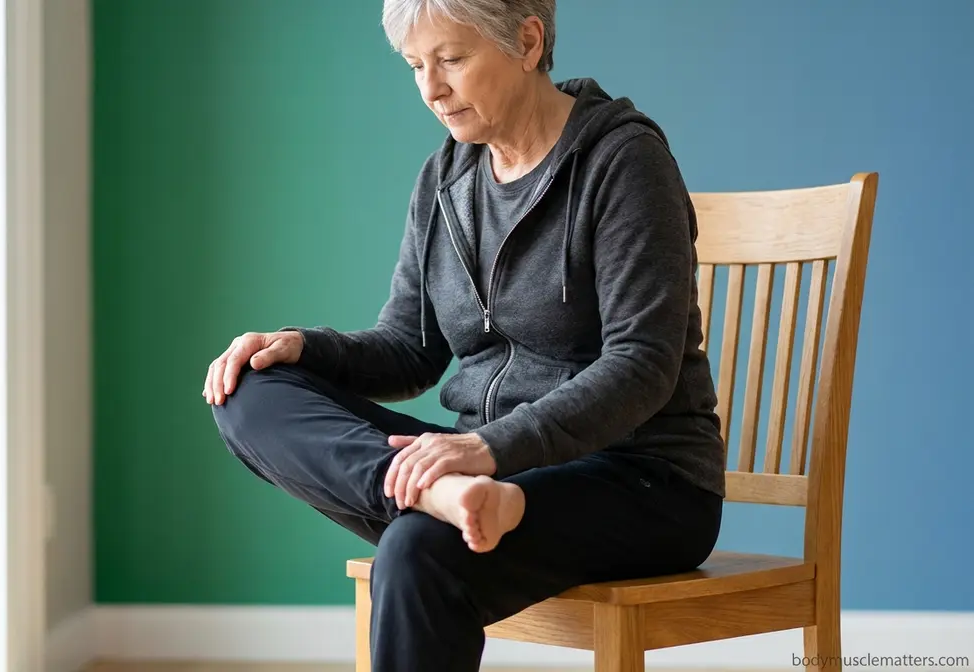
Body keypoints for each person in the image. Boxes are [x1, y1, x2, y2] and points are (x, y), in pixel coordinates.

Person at [204, 0, 727, 669]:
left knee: (420, 550)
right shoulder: (446, 178)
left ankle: (438, 500)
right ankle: (433, 495)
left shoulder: (623, 161)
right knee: (248, 390)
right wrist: (304, 347)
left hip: (642, 481)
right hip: (485, 473)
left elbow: (643, 364)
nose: (431, 87)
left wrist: (488, 448)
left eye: (451, 58)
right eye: (416, 65)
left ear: (529, 42)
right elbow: (409, 347)